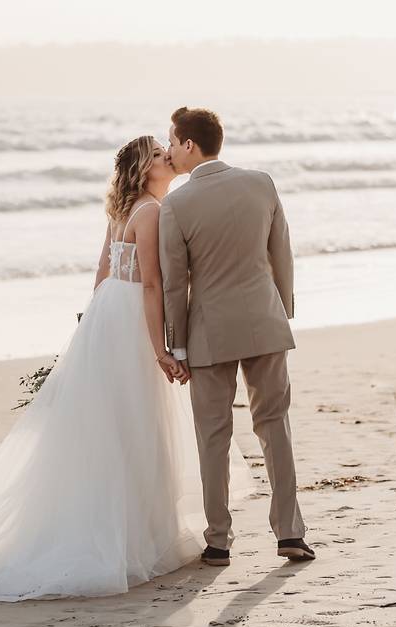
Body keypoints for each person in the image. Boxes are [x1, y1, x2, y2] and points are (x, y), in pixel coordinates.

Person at [0, 135, 254, 601]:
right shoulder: (151, 212)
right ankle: (133, 534)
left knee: (108, 426)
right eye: (156, 154)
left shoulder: (122, 209)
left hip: (109, 317)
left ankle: (132, 527)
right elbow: (151, 285)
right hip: (133, 320)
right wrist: (161, 350)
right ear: (141, 169)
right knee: (134, 425)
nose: (166, 157)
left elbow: (102, 274)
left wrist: (89, 329)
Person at [160, 107, 314, 566]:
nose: (169, 149)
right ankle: (290, 534)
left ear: (189, 144)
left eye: (172, 140)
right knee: (275, 427)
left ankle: (219, 540)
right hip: (265, 323)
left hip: (208, 333)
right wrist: (280, 310)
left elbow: (175, 282)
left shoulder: (177, 205)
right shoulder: (261, 183)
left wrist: (177, 344)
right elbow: (280, 251)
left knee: (213, 435)